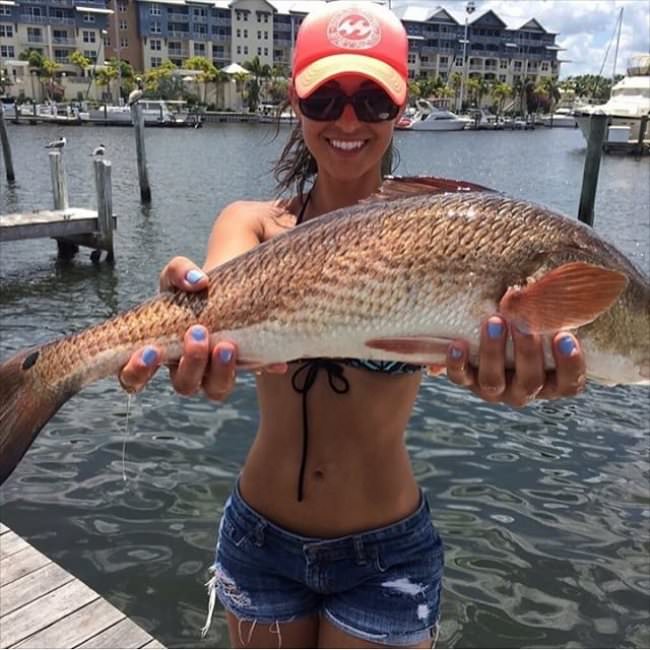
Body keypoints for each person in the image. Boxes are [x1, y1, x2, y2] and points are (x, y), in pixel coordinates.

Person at [118, 2, 586, 647]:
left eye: (372, 100)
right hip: (259, 537)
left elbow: (489, 351)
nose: (347, 119)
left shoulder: (438, 233)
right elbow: (213, 300)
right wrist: (186, 307)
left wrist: (511, 377)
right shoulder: (251, 224)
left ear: (401, 109)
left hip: (386, 552)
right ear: (294, 102)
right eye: (324, 98)